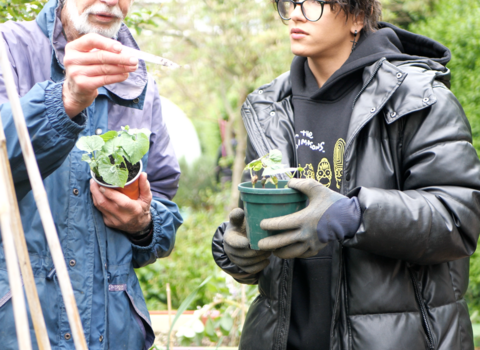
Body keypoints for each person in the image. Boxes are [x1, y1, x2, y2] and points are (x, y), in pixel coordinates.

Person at [212, 0, 480, 349]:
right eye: (290, 3)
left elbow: (458, 220)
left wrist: (353, 215)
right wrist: (237, 250)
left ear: (357, 17)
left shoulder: (419, 98)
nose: (295, 14)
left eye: (313, 5)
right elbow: (255, 220)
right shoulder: (268, 109)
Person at [0, 0, 182, 348]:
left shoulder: (137, 80)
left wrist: (143, 224)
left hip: (112, 332)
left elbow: (162, 197)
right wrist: (64, 100)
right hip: (20, 327)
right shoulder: (7, 49)